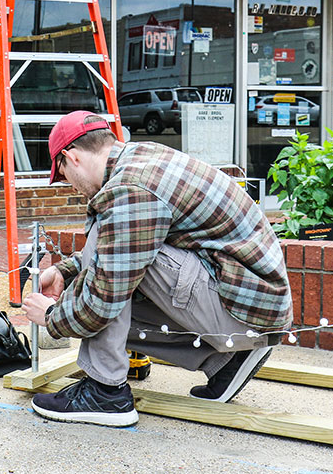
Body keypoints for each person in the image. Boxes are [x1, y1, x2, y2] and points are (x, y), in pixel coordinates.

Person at [22, 111, 292, 427]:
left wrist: (53, 316)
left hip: (243, 311)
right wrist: (68, 273)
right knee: (114, 256)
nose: (69, 185)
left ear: (72, 157)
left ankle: (104, 392)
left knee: (108, 274)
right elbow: (121, 250)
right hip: (250, 308)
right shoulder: (139, 159)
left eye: (63, 172)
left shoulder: (128, 190)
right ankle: (226, 359)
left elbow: (105, 292)